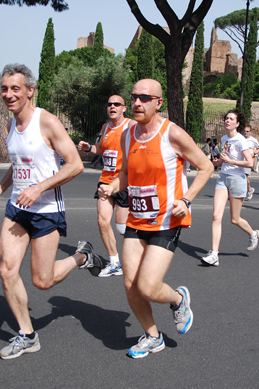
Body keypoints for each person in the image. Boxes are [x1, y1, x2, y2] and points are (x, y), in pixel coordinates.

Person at [0, 64, 102, 359]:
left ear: (30, 91)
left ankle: (82, 256)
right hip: (17, 208)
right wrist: (0, 189)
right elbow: (19, 164)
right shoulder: (11, 125)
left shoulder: (46, 122)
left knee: (42, 281)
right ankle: (27, 335)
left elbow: (75, 164)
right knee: (7, 270)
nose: (9, 94)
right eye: (5, 89)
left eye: (15, 88)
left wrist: (40, 187)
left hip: (46, 210)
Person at [98, 79, 213, 358]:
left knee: (147, 286)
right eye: (134, 96)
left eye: (145, 98)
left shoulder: (171, 133)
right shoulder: (128, 134)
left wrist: (186, 201)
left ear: (158, 102)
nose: (137, 102)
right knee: (129, 283)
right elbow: (125, 172)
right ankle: (152, 336)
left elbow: (206, 166)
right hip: (137, 219)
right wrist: (114, 186)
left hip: (165, 222)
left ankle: (178, 298)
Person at [77, 96, 135, 278]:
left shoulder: (131, 125)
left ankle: (136, 258)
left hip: (123, 181)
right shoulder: (106, 127)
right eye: (109, 104)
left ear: (124, 108)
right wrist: (88, 148)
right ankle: (115, 262)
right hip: (105, 180)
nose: (112, 106)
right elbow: (101, 148)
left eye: (116, 104)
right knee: (102, 221)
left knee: (122, 228)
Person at [201, 110, 259, 267]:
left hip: (237, 180)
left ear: (237, 123)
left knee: (235, 219)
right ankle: (214, 254)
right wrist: (218, 163)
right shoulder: (224, 138)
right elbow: (225, 158)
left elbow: (250, 163)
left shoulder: (241, 141)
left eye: (231, 119)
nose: (227, 120)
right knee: (216, 216)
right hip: (223, 178)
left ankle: (253, 233)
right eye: (226, 118)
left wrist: (230, 161)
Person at [243, 125, 259, 201]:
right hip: (241, 160)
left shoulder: (253, 140)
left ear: (250, 132)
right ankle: (249, 189)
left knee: (244, 176)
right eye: (244, 131)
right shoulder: (241, 139)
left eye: (247, 131)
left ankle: (245, 192)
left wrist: (254, 153)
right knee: (241, 177)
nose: (245, 133)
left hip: (249, 160)